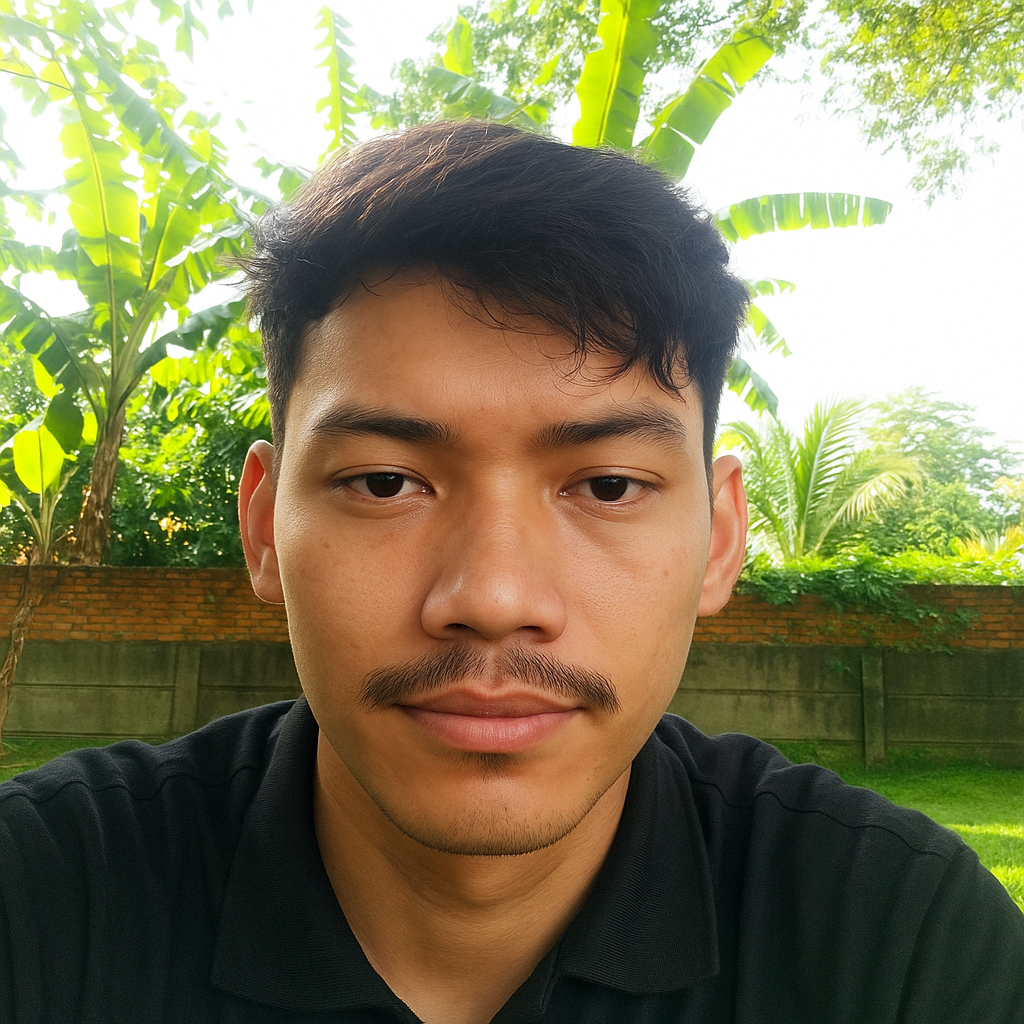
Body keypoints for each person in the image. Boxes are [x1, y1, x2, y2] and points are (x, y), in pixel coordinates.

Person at [1, 120, 1021, 1024]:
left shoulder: (900, 943)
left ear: (719, 538)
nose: (493, 600)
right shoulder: (42, 899)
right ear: (265, 527)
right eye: (387, 482)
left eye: (609, 486)